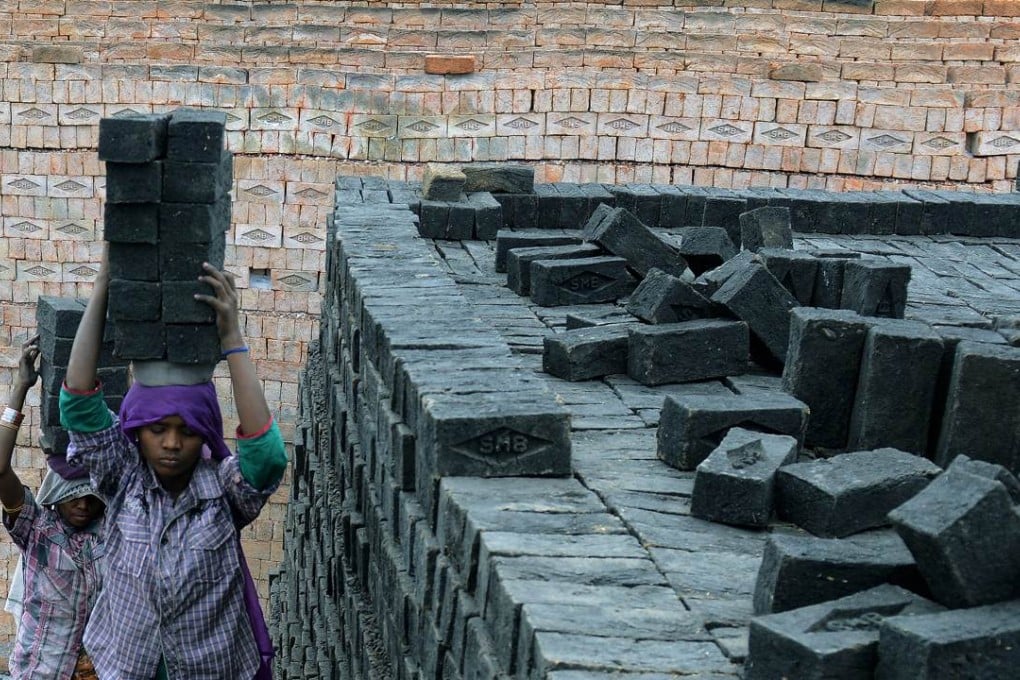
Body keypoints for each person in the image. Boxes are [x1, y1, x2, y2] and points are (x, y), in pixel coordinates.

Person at [61, 252, 287, 679]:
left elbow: (267, 457)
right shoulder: (122, 479)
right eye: (157, 429)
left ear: (205, 434)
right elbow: (79, 404)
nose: (171, 443)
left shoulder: (224, 494)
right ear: (136, 433)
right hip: (125, 667)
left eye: (187, 430)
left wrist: (232, 340)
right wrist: (103, 288)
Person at [1, 336, 106, 679]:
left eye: (92, 497)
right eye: (74, 494)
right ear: (56, 494)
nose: (84, 504)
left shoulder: (111, 533)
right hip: (39, 672)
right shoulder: (37, 528)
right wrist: (20, 388)